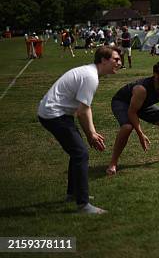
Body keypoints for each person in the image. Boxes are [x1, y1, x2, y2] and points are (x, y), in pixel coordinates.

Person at [37, 46, 121, 214]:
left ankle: (73, 194)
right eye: (116, 59)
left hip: (58, 113)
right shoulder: (91, 77)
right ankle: (83, 204)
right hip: (54, 114)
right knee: (81, 154)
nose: (119, 63)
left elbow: (84, 108)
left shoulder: (90, 73)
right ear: (103, 60)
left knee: (77, 152)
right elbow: (82, 111)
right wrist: (91, 134)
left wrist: (92, 132)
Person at [106, 61, 159, 175]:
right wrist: (140, 134)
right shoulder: (141, 89)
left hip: (143, 105)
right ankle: (113, 163)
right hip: (123, 102)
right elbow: (132, 112)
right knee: (127, 127)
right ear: (155, 74)